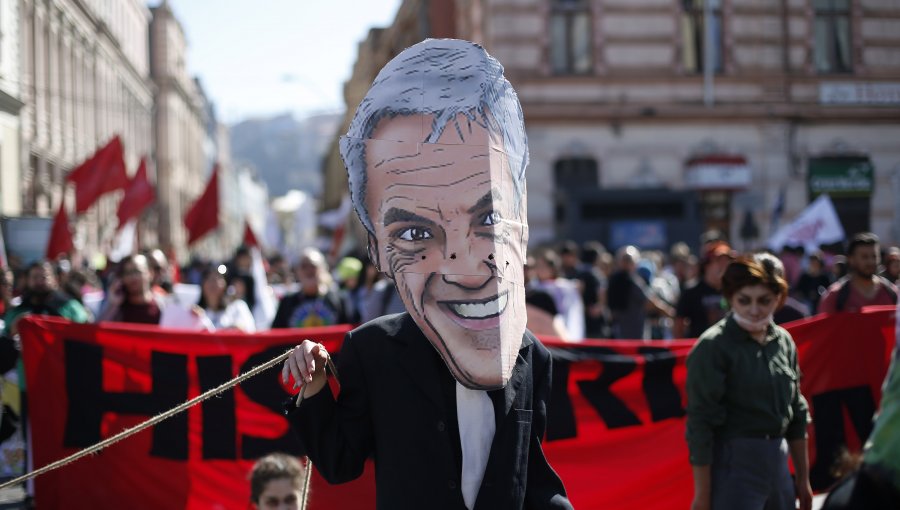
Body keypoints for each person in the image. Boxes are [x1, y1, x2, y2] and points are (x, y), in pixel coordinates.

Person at [281, 39, 571, 510]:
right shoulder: (372, 352)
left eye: (491, 218)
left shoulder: (529, 354)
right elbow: (340, 463)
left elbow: (531, 475)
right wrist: (314, 390)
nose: (464, 267)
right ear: (376, 247)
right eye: (416, 232)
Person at [686, 257, 812, 510]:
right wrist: (703, 494)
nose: (754, 309)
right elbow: (700, 423)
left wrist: (803, 481)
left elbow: (797, 413)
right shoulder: (713, 346)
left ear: (778, 299)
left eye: (764, 300)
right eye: (745, 300)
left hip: (779, 464)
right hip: (734, 468)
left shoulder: (784, 341)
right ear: (731, 298)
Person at [3, 261, 91, 336]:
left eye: (44, 277)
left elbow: (85, 327)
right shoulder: (19, 309)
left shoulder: (69, 306)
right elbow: (7, 331)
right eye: (35, 277)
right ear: (28, 280)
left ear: (55, 280)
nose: (39, 281)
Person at [818, 233, 898, 314]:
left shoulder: (892, 293)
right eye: (864, 257)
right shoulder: (835, 297)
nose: (870, 261)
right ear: (851, 259)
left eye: (874, 256)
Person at [271, 248, 348, 329]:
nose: (309, 270)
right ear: (297, 271)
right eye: (304, 266)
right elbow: (275, 335)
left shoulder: (338, 300)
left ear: (323, 269)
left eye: (313, 266)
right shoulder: (287, 303)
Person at [674, 241, 733, 338]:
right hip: (699, 348)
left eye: (727, 261)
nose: (724, 266)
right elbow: (678, 325)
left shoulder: (733, 291)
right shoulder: (691, 292)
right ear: (707, 264)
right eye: (719, 261)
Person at [98, 254, 166, 324]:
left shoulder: (163, 306)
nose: (133, 277)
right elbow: (99, 329)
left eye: (137, 271)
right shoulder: (117, 308)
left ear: (150, 273)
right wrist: (112, 305)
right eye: (128, 273)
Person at [197, 265, 256, 332]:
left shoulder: (238, 307)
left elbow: (250, 331)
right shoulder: (195, 312)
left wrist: (235, 329)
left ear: (226, 284)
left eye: (218, 278)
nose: (212, 283)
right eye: (208, 278)